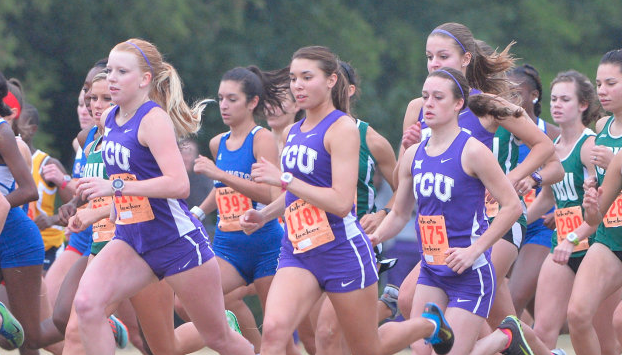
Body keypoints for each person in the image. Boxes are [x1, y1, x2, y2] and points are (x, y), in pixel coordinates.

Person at [240, 45, 454, 355]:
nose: (297, 85)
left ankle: (429, 326)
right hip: (298, 250)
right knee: (273, 332)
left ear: (331, 81)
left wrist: (283, 179)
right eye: (293, 78)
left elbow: (341, 203)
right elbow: (299, 195)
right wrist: (266, 214)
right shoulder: (292, 132)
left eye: (306, 77)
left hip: (342, 251)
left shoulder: (343, 129)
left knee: (365, 348)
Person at [73, 38, 254, 355]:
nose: (111, 77)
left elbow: (178, 185)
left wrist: (114, 188)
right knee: (87, 305)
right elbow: (132, 181)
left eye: (121, 71)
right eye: (110, 70)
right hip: (132, 238)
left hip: (175, 242)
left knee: (217, 338)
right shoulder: (110, 118)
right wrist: (101, 211)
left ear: (145, 79)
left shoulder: (153, 119)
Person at [397, 23, 562, 332]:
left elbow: (544, 146)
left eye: (443, 56)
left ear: (466, 59)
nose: (434, 63)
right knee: (500, 321)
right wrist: (406, 147)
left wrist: (514, 177)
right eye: (429, 56)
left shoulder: (488, 105)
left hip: (495, 223)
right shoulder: (419, 108)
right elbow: (402, 186)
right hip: (449, 233)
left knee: (412, 300)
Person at [371, 67, 522, 354]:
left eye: (438, 97)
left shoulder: (473, 150)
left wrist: (474, 250)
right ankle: (502, 339)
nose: (428, 103)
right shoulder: (414, 154)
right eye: (425, 96)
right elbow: (400, 213)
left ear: (458, 104)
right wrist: (375, 238)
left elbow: (512, 206)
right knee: (420, 348)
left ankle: (504, 338)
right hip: (432, 268)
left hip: (469, 272)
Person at [189, 65, 297, 354]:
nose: (223, 105)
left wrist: (221, 174)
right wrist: (198, 213)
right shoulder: (218, 143)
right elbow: (222, 189)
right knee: (188, 300)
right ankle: (244, 344)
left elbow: (271, 193)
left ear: (252, 103)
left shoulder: (261, 139)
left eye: (232, 99)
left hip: (265, 245)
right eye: (221, 98)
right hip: (228, 246)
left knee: (280, 334)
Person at [526, 70, 620, 354]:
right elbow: (547, 198)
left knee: (610, 334)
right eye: (553, 99)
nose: (556, 104)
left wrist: (581, 220)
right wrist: (513, 221)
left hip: (590, 239)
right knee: (546, 327)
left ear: (582, 105)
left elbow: (602, 192)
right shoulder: (552, 149)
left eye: (565, 99)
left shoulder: (590, 144)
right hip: (571, 243)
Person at [565, 48, 622, 355]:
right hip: (610, 239)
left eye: (611, 82)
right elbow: (597, 213)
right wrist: (591, 197)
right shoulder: (601, 129)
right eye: (599, 83)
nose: (602, 90)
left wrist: (615, 163)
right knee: (577, 314)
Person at [506, 64, 559, 319]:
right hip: (504, 224)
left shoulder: (550, 134)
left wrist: (534, 178)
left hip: (539, 227)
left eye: (515, 93)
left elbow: (563, 173)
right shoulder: (498, 132)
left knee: (512, 302)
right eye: (504, 92)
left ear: (534, 95)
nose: (508, 98)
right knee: (538, 314)